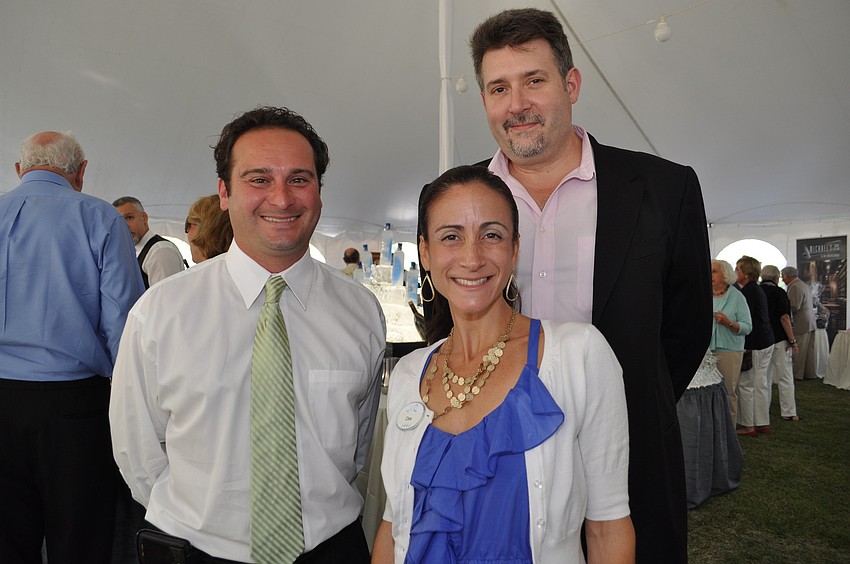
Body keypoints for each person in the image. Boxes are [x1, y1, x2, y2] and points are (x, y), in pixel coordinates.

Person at [468, 8, 712, 561]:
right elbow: (447, 325)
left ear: (570, 83)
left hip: (632, 460)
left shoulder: (664, 188)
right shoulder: (455, 200)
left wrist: (621, 408)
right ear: (484, 100)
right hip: (497, 457)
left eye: (535, 80)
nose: (517, 104)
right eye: (498, 88)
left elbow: (687, 325)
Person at [110, 106, 386, 562]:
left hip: (330, 548)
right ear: (224, 192)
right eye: (259, 179)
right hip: (198, 549)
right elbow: (137, 454)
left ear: (319, 192)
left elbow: (356, 451)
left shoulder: (361, 312)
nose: (282, 199)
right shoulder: (160, 312)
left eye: (300, 179)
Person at [373, 166, 633, 563]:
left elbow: (607, 526)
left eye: (491, 235)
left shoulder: (578, 354)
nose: (472, 257)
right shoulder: (411, 374)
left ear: (515, 249)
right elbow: (394, 526)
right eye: (451, 237)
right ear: (425, 253)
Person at [0, 131, 144, 563]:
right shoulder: (100, 217)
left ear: (19, 170)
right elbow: (125, 323)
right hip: (76, 406)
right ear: (81, 172)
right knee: (80, 540)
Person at [734, 256, 774, 436]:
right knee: (760, 383)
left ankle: (749, 425)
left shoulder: (748, 292)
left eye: (738, 269)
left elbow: (744, 320)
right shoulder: (755, 289)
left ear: (746, 273)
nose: (736, 273)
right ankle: (762, 422)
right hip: (766, 340)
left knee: (747, 384)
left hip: (756, 342)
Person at [710, 259, 752, 427]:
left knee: (727, 391)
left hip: (729, 350)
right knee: (707, 392)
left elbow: (747, 326)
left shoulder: (737, 297)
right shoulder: (702, 294)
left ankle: (729, 431)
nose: (710, 275)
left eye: (714, 271)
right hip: (705, 351)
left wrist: (729, 323)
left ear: (725, 275)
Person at [113, 195, 186, 288]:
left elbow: (164, 298)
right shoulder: (134, 251)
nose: (125, 225)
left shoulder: (160, 251)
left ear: (144, 218)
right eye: (119, 221)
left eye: (129, 217)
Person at [760, 265, 800, 421]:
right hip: (779, 339)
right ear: (776, 278)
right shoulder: (779, 292)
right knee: (785, 376)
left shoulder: (755, 291)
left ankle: (763, 410)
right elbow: (784, 318)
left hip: (762, 340)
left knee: (763, 377)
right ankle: (788, 412)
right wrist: (792, 339)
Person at [781, 266, 817, 381]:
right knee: (809, 351)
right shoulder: (802, 284)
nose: (782, 279)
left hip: (801, 322)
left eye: (783, 276)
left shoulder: (795, 287)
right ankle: (810, 373)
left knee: (800, 351)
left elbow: (795, 306)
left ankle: (797, 375)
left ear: (787, 276)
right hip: (809, 321)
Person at [185, 193, 233, 262]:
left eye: (189, 224)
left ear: (206, 228)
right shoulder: (244, 268)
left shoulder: (201, 272)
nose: (187, 231)